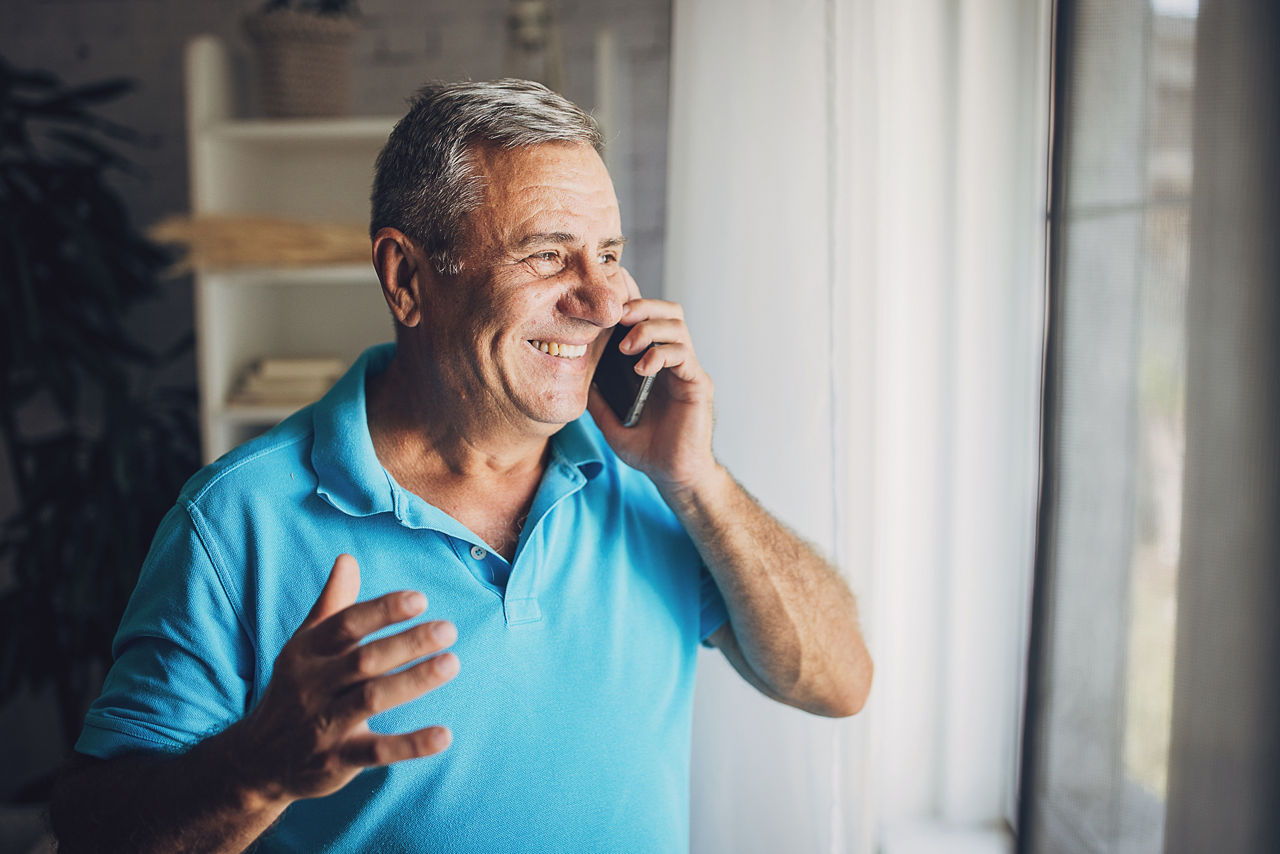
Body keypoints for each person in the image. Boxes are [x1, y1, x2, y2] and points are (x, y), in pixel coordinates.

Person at [50, 79, 872, 853]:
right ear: (408, 279)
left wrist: (699, 479)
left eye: (609, 253)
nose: (603, 301)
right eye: (549, 255)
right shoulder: (238, 521)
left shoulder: (650, 477)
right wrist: (255, 769)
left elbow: (837, 683)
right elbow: (90, 833)